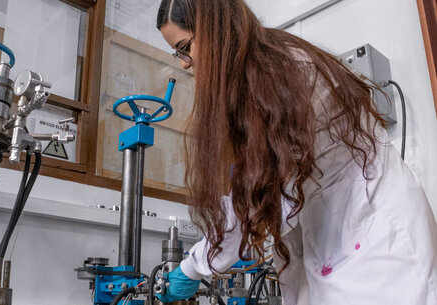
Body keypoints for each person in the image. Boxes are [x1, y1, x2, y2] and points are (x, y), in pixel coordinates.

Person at [155, 0, 437, 304]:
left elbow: (252, 199)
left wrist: (193, 267)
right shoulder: (261, 74)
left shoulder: (282, 77)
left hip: (378, 242)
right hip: (337, 235)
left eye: (185, 47)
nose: (184, 62)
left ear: (214, 32)